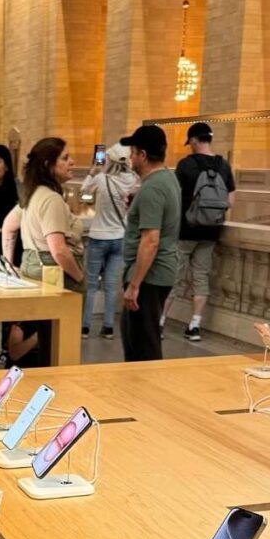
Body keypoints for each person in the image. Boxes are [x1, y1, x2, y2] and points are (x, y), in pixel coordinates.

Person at [2, 138, 84, 366]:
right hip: (55, 273)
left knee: (43, 332)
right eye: (65, 158)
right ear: (49, 164)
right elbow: (58, 249)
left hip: (32, 266)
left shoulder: (32, 194)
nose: (72, 162)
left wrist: (10, 265)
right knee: (59, 339)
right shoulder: (51, 199)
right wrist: (79, 276)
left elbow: (9, 227)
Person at [161, 122, 236, 342]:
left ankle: (160, 322)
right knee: (201, 276)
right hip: (211, 231)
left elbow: (174, 199)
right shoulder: (223, 165)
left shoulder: (186, 165)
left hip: (186, 230)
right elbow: (230, 201)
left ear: (194, 140)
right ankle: (194, 325)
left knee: (172, 277)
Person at [118, 126, 181, 362]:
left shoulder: (152, 188)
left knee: (143, 344)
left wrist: (134, 285)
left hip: (149, 276)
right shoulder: (168, 178)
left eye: (133, 152)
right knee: (140, 337)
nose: (131, 158)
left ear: (142, 155)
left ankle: (142, 394)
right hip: (159, 272)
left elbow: (150, 240)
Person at [79, 143, 139, 340]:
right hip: (120, 237)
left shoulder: (102, 179)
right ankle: (108, 328)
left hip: (98, 237)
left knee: (91, 285)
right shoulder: (133, 180)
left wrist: (93, 170)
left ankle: (85, 327)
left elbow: (83, 191)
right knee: (112, 285)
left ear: (109, 160)